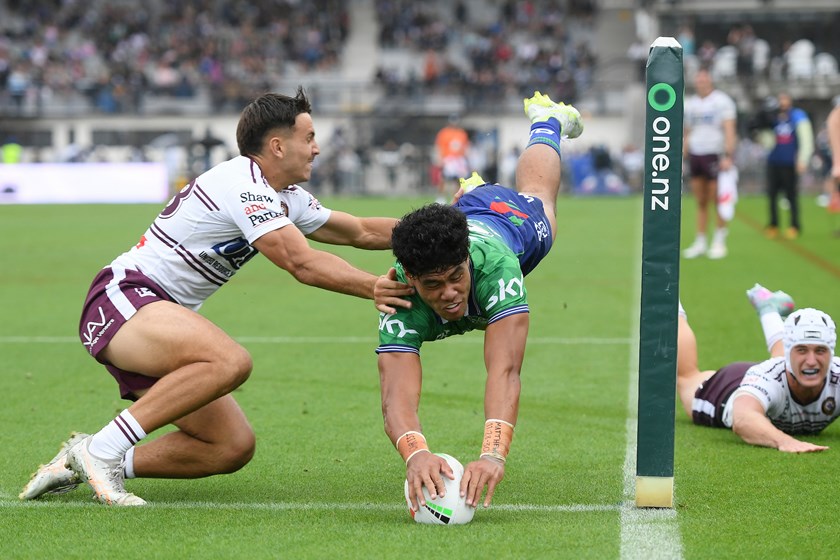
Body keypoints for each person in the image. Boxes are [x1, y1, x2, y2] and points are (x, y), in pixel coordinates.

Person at [19, 87, 413, 506]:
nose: (317, 149)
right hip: (125, 298)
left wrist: (447, 221)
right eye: (309, 137)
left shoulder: (284, 197)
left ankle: (88, 458)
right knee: (230, 361)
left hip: (158, 316)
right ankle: (100, 452)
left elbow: (361, 232)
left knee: (229, 445)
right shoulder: (242, 182)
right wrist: (374, 286)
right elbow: (301, 263)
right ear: (277, 146)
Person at [374, 91, 583, 512]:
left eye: (456, 277)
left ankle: (547, 120)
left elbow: (504, 371)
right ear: (411, 278)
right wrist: (415, 454)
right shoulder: (399, 295)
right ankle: (469, 195)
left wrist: (492, 455)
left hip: (510, 226)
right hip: (465, 218)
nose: (450, 293)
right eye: (434, 284)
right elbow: (395, 394)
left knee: (541, 198)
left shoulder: (498, 270)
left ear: (467, 260)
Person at [676, 284, 839, 452]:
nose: (812, 361)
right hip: (727, 387)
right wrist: (785, 441)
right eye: (802, 349)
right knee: (686, 376)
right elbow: (743, 419)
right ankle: (665, 292)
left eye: (820, 350)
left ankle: (767, 307)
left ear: (831, 353)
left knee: (793, 363)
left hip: (776, 376)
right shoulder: (769, 376)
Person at [682, 68, 738, 259]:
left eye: (704, 80)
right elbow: (687, 131)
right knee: (700, 200)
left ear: (710, 81)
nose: (701, 83)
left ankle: (719, 240)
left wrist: (728, 155)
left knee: (717, 199)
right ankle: (700, 241)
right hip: (697, 154)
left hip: (715, 154)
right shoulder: (690, 104)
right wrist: (684, 153)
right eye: (699, 80)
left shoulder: (722, 101)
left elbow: (730, 130)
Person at [763, 92, 814, 240]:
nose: (782, 103)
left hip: (790, 163)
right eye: (780, 100)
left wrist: (803, 159)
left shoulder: (797, 116)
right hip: (774, 161)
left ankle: (794, 225)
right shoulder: (772, 117)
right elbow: (766, 137)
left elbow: (806, 138)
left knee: (791, 196)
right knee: (772, 195)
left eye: (785, 99)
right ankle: (773, 225)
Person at [433, 114, 471, 203]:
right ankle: (440, 197)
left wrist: (466, 159)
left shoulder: (461, 133)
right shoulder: (444, 133)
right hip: (448, 158)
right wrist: (440, 158)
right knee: (443, 178)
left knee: (459, 180)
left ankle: (457, 197)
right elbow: (439, 146)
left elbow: (465, 146)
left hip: (458, 159)